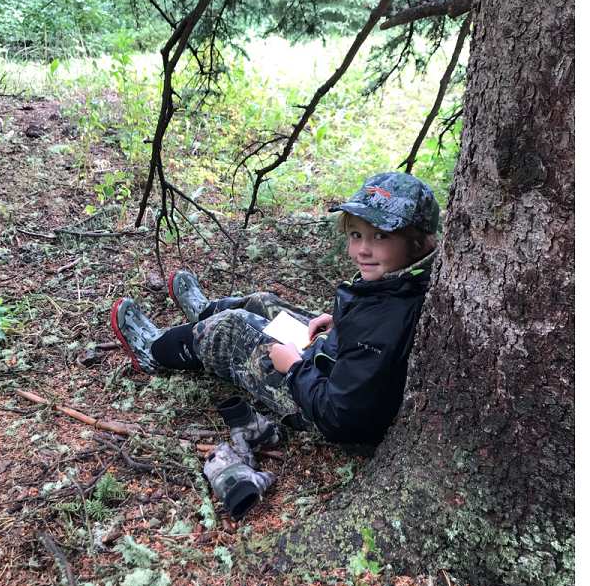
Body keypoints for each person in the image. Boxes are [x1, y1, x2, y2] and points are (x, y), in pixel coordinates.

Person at [113, 171, 441, 446]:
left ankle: (154, 351)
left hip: (320, 408)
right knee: (264, 303)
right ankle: (204, 315)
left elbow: (343, 416)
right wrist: (341, 322)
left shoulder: (389, 319)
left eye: (380, 236)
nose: (362, 250)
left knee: (233, 330)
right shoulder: (407, 280)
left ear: (416, 241)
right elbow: (372, 326)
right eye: (356, 234)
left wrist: (295, 369)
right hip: (333, 363)